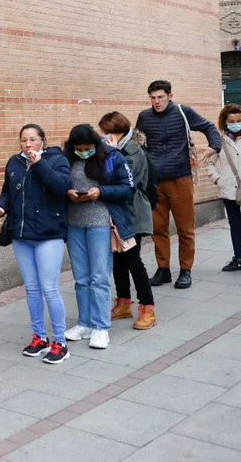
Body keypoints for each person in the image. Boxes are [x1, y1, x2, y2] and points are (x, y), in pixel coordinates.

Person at [0, 124, 71, 364]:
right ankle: (39, 337)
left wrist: (39, 164)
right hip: (22, 235)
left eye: (33, 140)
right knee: (32, 289)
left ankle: (60, 342)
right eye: (24, 140)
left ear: (43, 141)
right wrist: (0, 206)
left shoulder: (56, 160)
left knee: (50, 288)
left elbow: (61, 188)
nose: (28, 144)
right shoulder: (14, 162)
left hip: (49, 234)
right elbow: (7, 191)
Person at [135, 80, 221, 289]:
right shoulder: (144, 117)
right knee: (158, 228)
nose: (156, 102)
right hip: (154, 182)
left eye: (160, 97)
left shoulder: (183, 112)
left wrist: (213, 147)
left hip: (180, 178)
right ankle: (163, 269)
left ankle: (185, 270)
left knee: (185, 228)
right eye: (153, 98)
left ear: (169, 96)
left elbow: (209, 126)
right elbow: (137, 142)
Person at [63, 124, 136, 349]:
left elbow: (129, 187)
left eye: (87, 148)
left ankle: (101, 327)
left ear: (95, 143)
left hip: (101, 223)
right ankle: (84, 323)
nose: (84, 151)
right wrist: (68, 193)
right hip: (74, 223)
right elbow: (57, 183)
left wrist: (101, 192)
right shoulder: (67, 158)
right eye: (79, 148)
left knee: (100, 276)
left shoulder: (112, 156)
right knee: (81, 277)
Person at [98, 112, 157, 331]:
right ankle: (123, 302)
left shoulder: (132, 150)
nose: (103, 136)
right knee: (118, 260)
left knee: (133, 260)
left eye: (106, 132)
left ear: (117, 131)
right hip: (118, 214)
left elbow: (122, 181)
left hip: (133, 213)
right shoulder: (118, 148)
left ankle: (147, 308)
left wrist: (109, 152)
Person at [204, 103, 241, 272]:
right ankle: (238, 258)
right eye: (232, 121)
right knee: (235, 225)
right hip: (229, 190)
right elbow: (209, 164)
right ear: (225, 122)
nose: (235, 123)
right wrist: (218, 180)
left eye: (239, 120)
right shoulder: (218, 140)